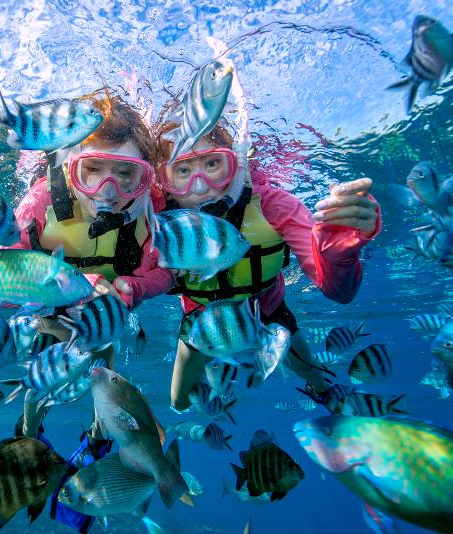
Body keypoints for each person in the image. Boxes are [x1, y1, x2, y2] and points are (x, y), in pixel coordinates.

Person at [5, 91, 174, 532]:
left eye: (126, 174)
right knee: (42, 370)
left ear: (145, 177)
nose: (108, 191)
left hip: (108, 306)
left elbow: (166, 273)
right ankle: (29, 432)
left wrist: (132, 289)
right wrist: (65, 284)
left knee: (104, 364)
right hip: (51, 301)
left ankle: (98, 440)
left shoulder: (152, 208)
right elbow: (6, 267)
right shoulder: (42, 201)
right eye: (92, 170)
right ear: (70, 167)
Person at [155, 121, 382, 412]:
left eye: (212, 164)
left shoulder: (273, 205)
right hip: (204, 319)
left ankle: (325, 395)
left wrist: (340, 255)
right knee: (179, 401)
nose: (200, 186)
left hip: (267, 309)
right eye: (183, 170)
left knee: (313, 374)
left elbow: (341, 293)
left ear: (235, 165)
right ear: (164, 178)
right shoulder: (161, 219)